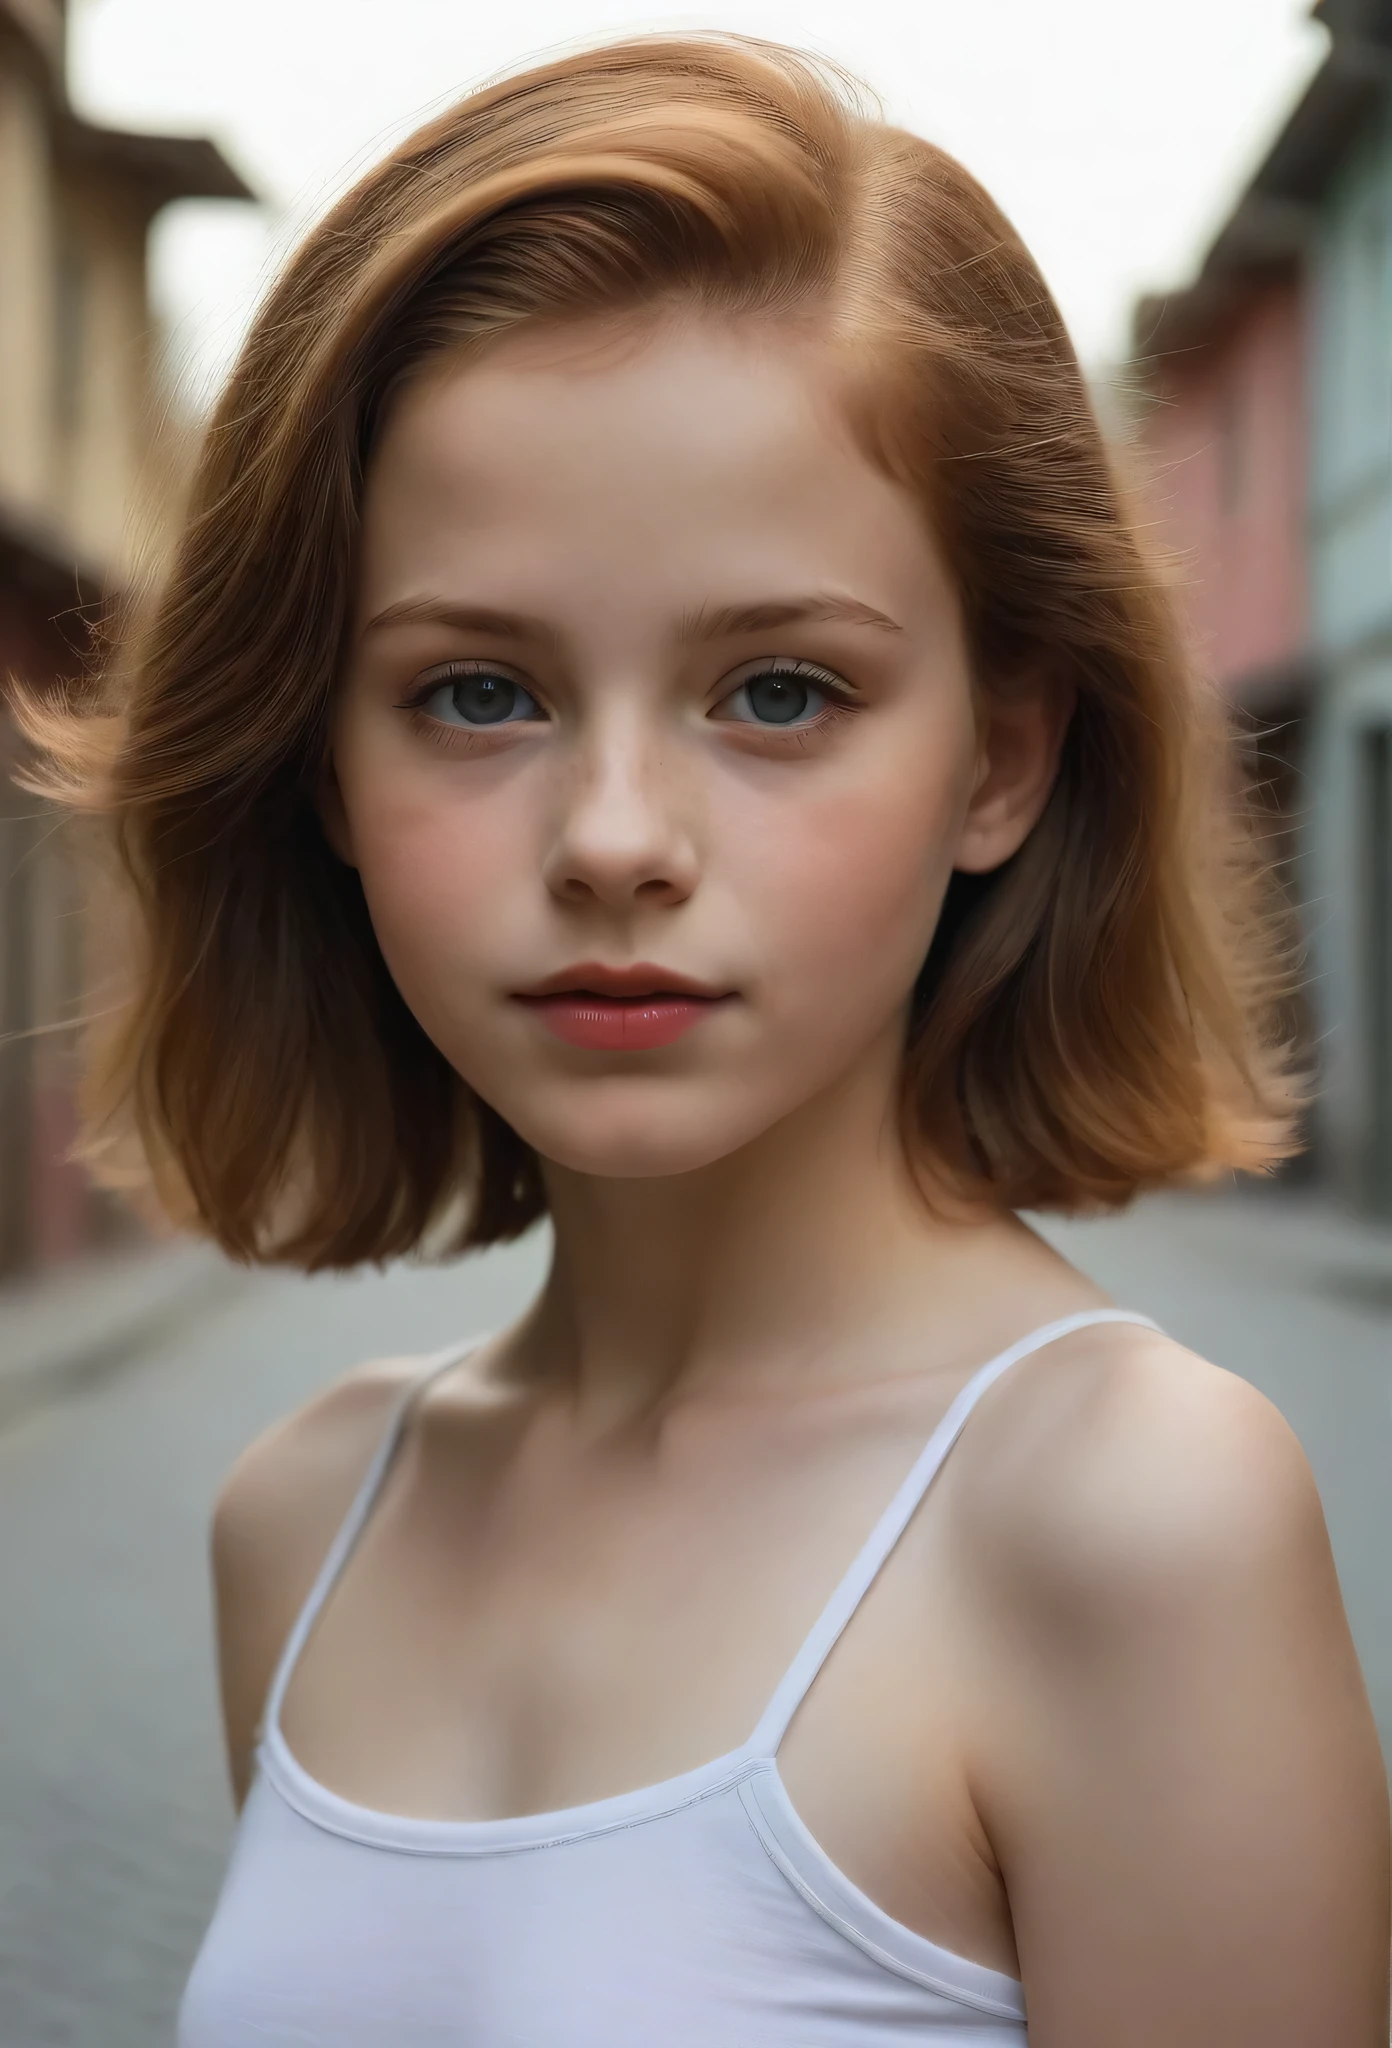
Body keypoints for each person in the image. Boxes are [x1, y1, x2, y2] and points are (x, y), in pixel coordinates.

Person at [21, 33, 1389, 2047]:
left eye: (777, 690)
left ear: (1003, 755)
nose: (617, 842)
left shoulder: (1132, 1516)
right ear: (316, 762)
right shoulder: (308, 1516)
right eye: (478, 693)